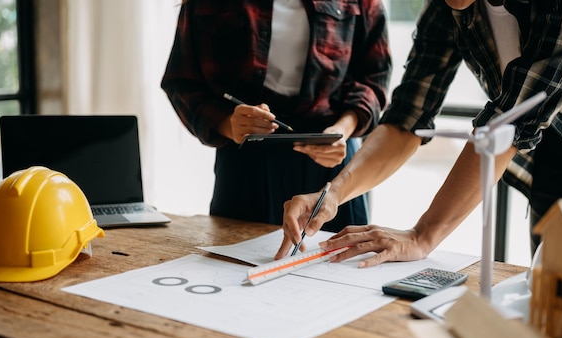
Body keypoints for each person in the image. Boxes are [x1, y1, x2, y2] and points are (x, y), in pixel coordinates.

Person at [276, 0, 562, 266]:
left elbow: (510, 121)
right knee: (560, 310)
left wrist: (423, 235)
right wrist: (333, 193)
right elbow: (408, 118)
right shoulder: (448, 7)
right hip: (555, 157)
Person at [161, 0, 391, 232]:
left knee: (339, 263)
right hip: (245, 160)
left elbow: (375, 79)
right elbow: (182, 81)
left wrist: (343, 128)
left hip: (333, 156)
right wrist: (228, 124)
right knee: (235, 263)